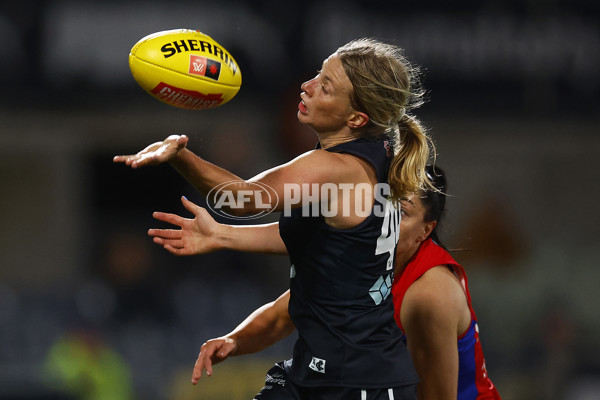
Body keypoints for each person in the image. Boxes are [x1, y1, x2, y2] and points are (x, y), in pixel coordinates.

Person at [115, 38, 434, 399]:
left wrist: (180, 155)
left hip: (355, 383)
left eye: (325, 87)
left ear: (356, 118)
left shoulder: (336, 167)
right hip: (323, 376)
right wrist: (223, 236)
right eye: (318, 74)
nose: (307, 86)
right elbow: (308, 265)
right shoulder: (377, 159)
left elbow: (238, 199)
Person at [192, 166, 501, 400]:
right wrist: (234, 341)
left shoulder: (430, 294)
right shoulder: (358, 254)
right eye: (382, 205)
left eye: (402, 212)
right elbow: (281, 316)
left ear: (426, 230)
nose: (387, 219)